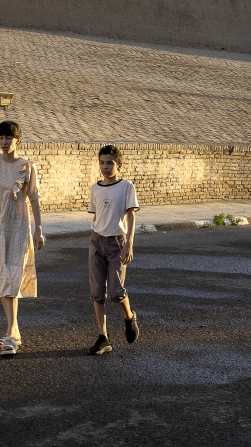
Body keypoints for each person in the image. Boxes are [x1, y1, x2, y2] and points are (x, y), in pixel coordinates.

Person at [0, 120, 45, 356]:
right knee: (3, 276)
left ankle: (12, 334)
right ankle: (13, 331)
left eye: (9, 138)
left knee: (13, 275)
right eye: (1, 137)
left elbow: (34, 198)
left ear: (18, 140)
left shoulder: (26, 167)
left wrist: (39, 229)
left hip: (19, 226)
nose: (4, 142)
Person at [87, 144, 140, 355]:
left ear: (119, 165)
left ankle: (129, 316)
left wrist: (129, 242)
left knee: (116, 293)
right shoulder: (95, 188)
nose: (105, 167)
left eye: (109, 163)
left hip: (117, 242)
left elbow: (131, 215)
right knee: (97, 293)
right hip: (96, 242)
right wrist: (95, 234)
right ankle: (103, 338)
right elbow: (95, 214)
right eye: (102, 162)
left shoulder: (126, 186)